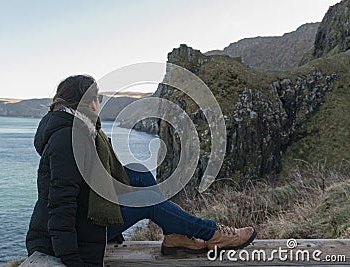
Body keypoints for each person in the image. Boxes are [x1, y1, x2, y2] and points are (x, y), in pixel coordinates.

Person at [26, 75, 257, 267]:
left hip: (83, 217)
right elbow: (60, 202)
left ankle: (174, 235)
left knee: (138, 172)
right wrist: (71, 259)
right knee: (147, 200)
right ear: (86, 103)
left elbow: (95, 183)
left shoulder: (81, 130)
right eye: (98, 98)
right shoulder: (68, 139)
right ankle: (212, 233)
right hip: (72, 236)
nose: (100, 103)